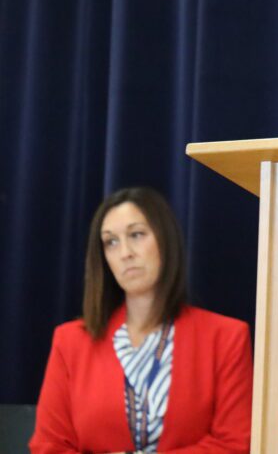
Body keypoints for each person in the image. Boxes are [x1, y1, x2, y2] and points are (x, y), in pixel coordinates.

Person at [30, 187, 253, 453]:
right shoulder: (71, 341)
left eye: (136, 235)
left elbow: (235, 444)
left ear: (165, 240)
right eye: (111, 242)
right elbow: (49, 445)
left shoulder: (226, 337)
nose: (125, 252)